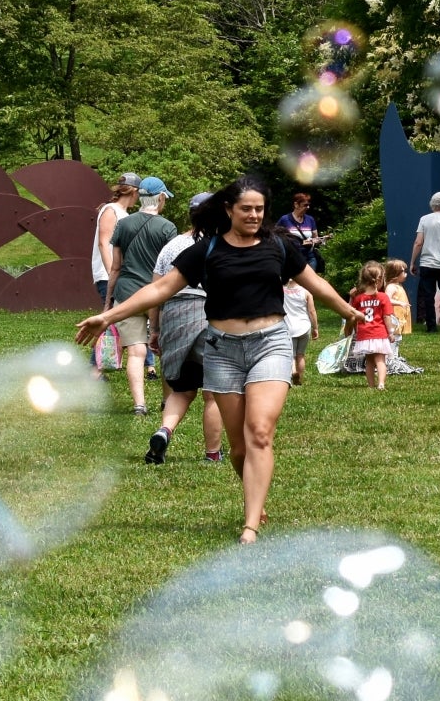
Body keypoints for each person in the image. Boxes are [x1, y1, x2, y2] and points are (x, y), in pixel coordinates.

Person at [76, 175, 366, 544]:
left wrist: (347, 311)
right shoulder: (206, 250)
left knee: (259, 431)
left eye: (259, 209)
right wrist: (108, 316)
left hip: (270, 345)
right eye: (246, 208)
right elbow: (160, 288)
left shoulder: (278, 246)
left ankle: (250, 526)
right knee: (238, 447)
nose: (254, 215)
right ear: (228, 209)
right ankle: (254, 500)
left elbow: (315, 283)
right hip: (223, 350)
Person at [146, 191, 226, 464]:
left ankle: (164, 431)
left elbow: (156, 290)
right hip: (207, 315)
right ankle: (213, 453)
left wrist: (154, 330)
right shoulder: (222, 244)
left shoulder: (172, 246)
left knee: (181, 389)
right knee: (213, 393)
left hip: (173, 316)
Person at [106, 176, 177, 415]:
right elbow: (169, 268)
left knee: (136, 352)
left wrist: (108, 303)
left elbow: (116, 267)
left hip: (126, 294)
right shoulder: (168, 228)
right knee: (165, 350)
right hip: (156, 294)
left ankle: (139, 405)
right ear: (159, 198)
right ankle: (167, 402)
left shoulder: (124, 224)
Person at [409, 192, 440, 334]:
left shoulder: (424, 219)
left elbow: (418, 242)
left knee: (428, 296)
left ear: (431, 204)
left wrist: (412, 262)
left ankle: (431, 326)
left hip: (427, 263)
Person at [93, 172, 140, 307]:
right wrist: (111, 274)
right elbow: (103, 243)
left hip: (119, 276)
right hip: (108, 276)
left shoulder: (124, 213)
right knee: (112, 319)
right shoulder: (111, 210)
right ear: (134, 192)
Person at [349, 261, 396, 390]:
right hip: (379, 334)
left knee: (369, 361)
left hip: (364, 334)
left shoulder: (358, 298)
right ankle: (381, 383)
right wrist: (391, 332)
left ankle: (370, 385)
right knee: (380, 360)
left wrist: (355, 330)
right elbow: (387, 316)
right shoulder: (383, 297)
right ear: (379, 280)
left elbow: (353, 316)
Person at [284, 278, 319, 386]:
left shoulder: (282, 291)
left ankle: (293, 371)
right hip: (304, 327)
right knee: (301, 354)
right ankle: (300, 376)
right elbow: (312, 311)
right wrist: (315, 328)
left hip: (289, 327)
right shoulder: (306, 292)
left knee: (292, 355)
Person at [279, 192, 324, 274]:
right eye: (305, 205)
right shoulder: (284, 219)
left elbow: (316, 238)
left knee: (309, 285)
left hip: (309, 258)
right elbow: (276, 236)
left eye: (308, 205)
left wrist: (316, 241)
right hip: (292, 259)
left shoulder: (310, 219)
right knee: (292, 285)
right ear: (296, 205)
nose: (308, 207)